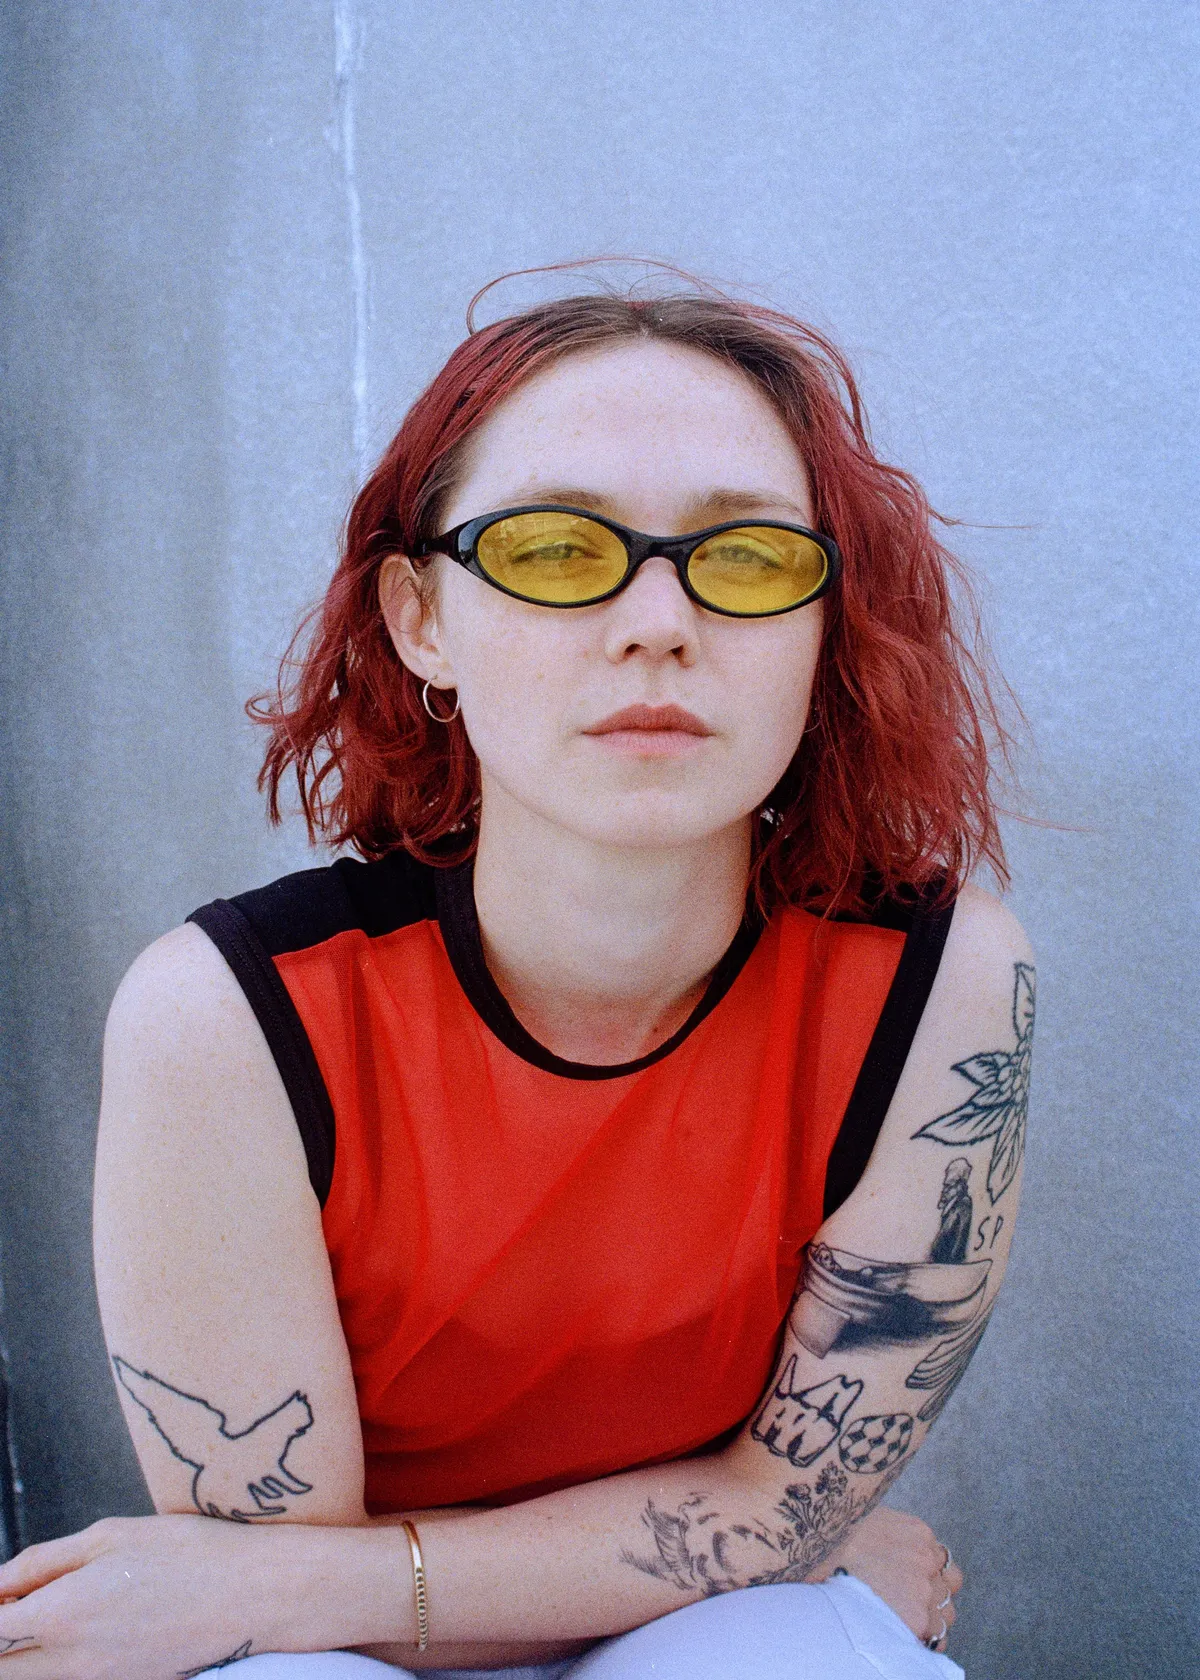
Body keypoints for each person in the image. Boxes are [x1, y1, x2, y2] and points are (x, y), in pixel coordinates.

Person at [0, 286, 1034, 1680]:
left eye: (745, 557)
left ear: (824, 627)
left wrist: (788, 1545)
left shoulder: (939, 988)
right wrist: (786, 1542)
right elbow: (284, 1614)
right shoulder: (232, 1020)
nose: (658, 621)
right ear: (421, 618)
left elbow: (282, 1587)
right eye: (555, 549)